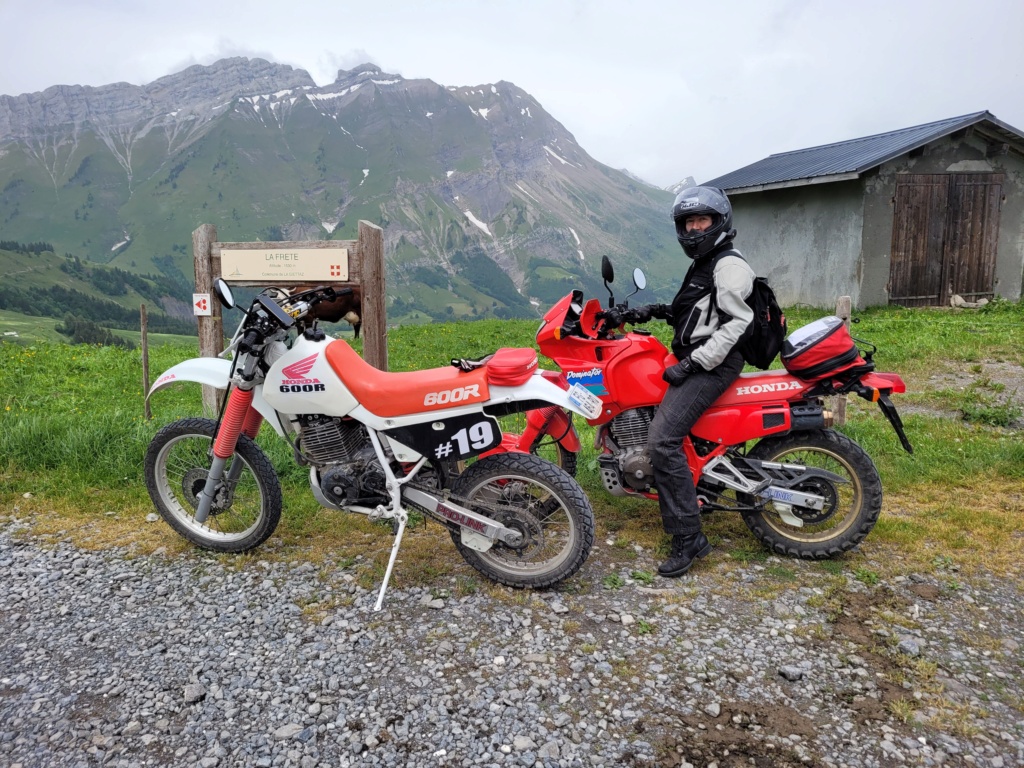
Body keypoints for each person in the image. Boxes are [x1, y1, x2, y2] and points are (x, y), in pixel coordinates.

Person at [611, 186, 755, 577]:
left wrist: (692, 365)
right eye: (688, 222)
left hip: (716, 363)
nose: (693, 229)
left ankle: (689, 538)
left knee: (662, 441)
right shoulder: (705, 261)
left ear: (718, 222)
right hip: (700, 357)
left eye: (701, 221)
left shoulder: (728, 265)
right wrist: (650, 312)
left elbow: (737, 324)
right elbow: (695, 311)